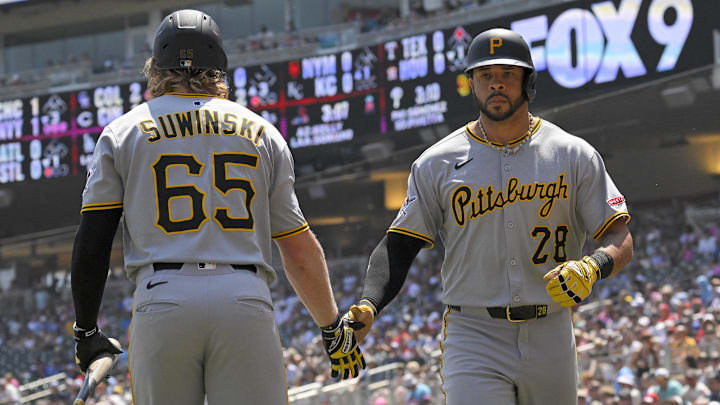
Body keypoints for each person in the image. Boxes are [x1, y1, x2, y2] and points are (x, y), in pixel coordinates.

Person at [70, 9, 364, 405]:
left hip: (162, 297)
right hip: (244, 296)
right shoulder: (262, 131)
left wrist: (86, 331)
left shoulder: (123, 131)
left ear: (156, 69)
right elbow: (297, 247)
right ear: (220, 69)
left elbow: (93, 241)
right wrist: (331, 330)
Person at [345, 28, 633, 404]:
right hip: (473, 331)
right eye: (485, 76)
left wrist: (593, 266)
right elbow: (400, 245)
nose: (496, 85)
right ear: (471, 84)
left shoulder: (572, 153)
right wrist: (370, 303)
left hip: (551, 330)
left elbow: (621, 238)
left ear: (527, 82)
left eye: (507, 75)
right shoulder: (436, 163)